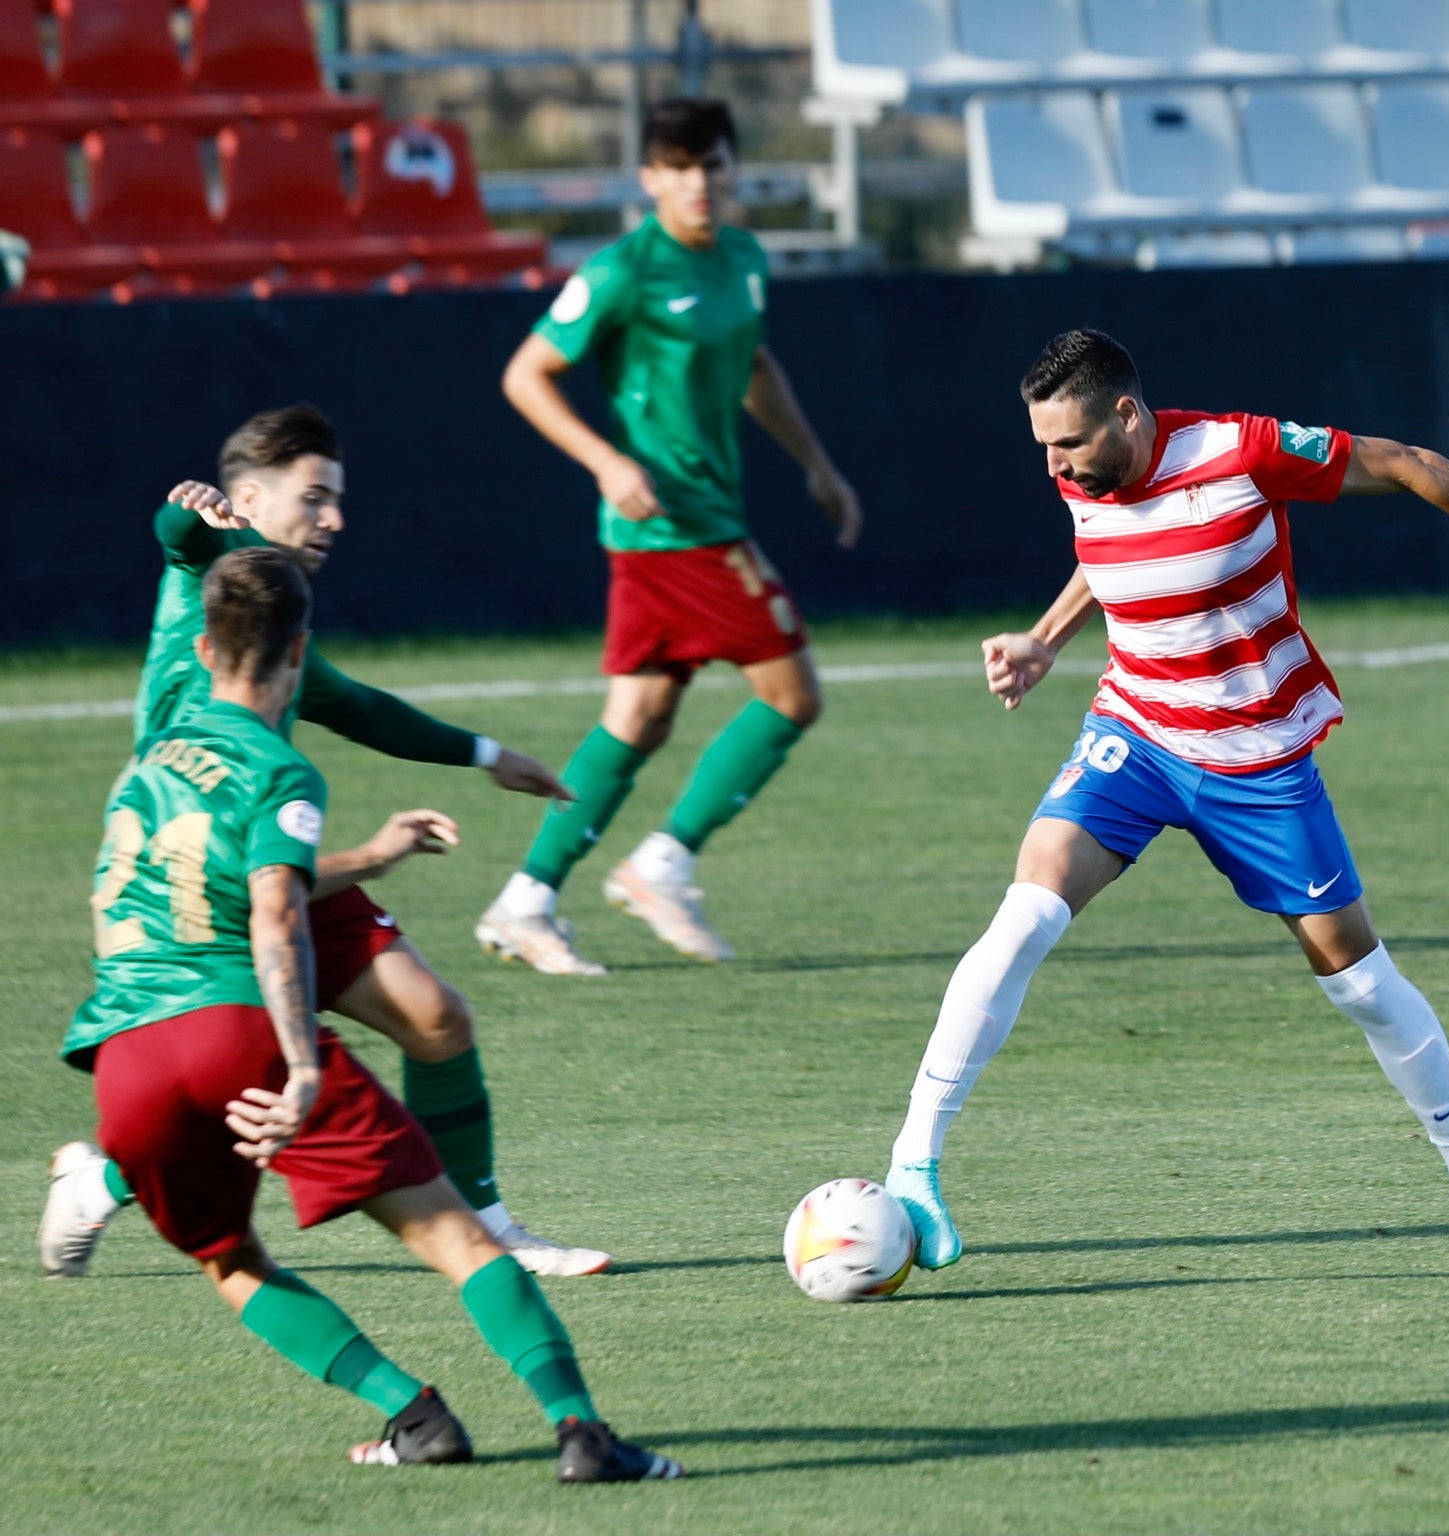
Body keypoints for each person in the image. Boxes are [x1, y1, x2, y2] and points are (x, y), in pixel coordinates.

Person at [880, 328, 1449, 1285]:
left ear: (1128, 417)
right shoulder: (1082, 474)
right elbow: (1113, 550)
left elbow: (1409, 464)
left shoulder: (1242, 451)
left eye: (1069, 444)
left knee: (1362, 984)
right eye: (1044, 448)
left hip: (1256, 758)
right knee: (1026, 914)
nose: (1054, 465)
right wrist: (1048, 638)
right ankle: (914, 1166)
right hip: (1135, 735)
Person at [66, 547, 679, 1481]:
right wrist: (302, 1067)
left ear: (200, 645)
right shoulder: (280, 770)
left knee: (231, 1262)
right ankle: (582, 1434)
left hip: (126, 1056)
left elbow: (199, 885)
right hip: (236, 1034)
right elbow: (275, 908)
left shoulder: (150, 752)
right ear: (301, 650)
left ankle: (413, 1415)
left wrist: (373, 856)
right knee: (455, 1236)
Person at [40, 407, 608, 1279]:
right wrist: (191, 512)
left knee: (437, 1017)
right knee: (234, 1074)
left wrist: (491, 757)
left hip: (269, 862)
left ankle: (489, 1226)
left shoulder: (277, 619)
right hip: (194, 884)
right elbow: (176, 535)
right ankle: (102, 1182)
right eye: (316, 499)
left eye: (337, 499)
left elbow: (354, 705)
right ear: (250, 500)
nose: (334, 519)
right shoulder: (208, 574)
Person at [477, 96, 862, 974]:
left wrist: (817, 464)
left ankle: (526, 900)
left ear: (732, 170)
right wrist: (606, 463)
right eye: (679, 168)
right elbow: (526, 375)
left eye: (712, 165)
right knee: (793, 695)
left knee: (640, 718)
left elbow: (753, 366)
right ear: (649, 177)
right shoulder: (623, 271)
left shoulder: (744, 260)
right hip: (677, 526)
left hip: (691, 523)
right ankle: (664, 861)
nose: (698, 183)